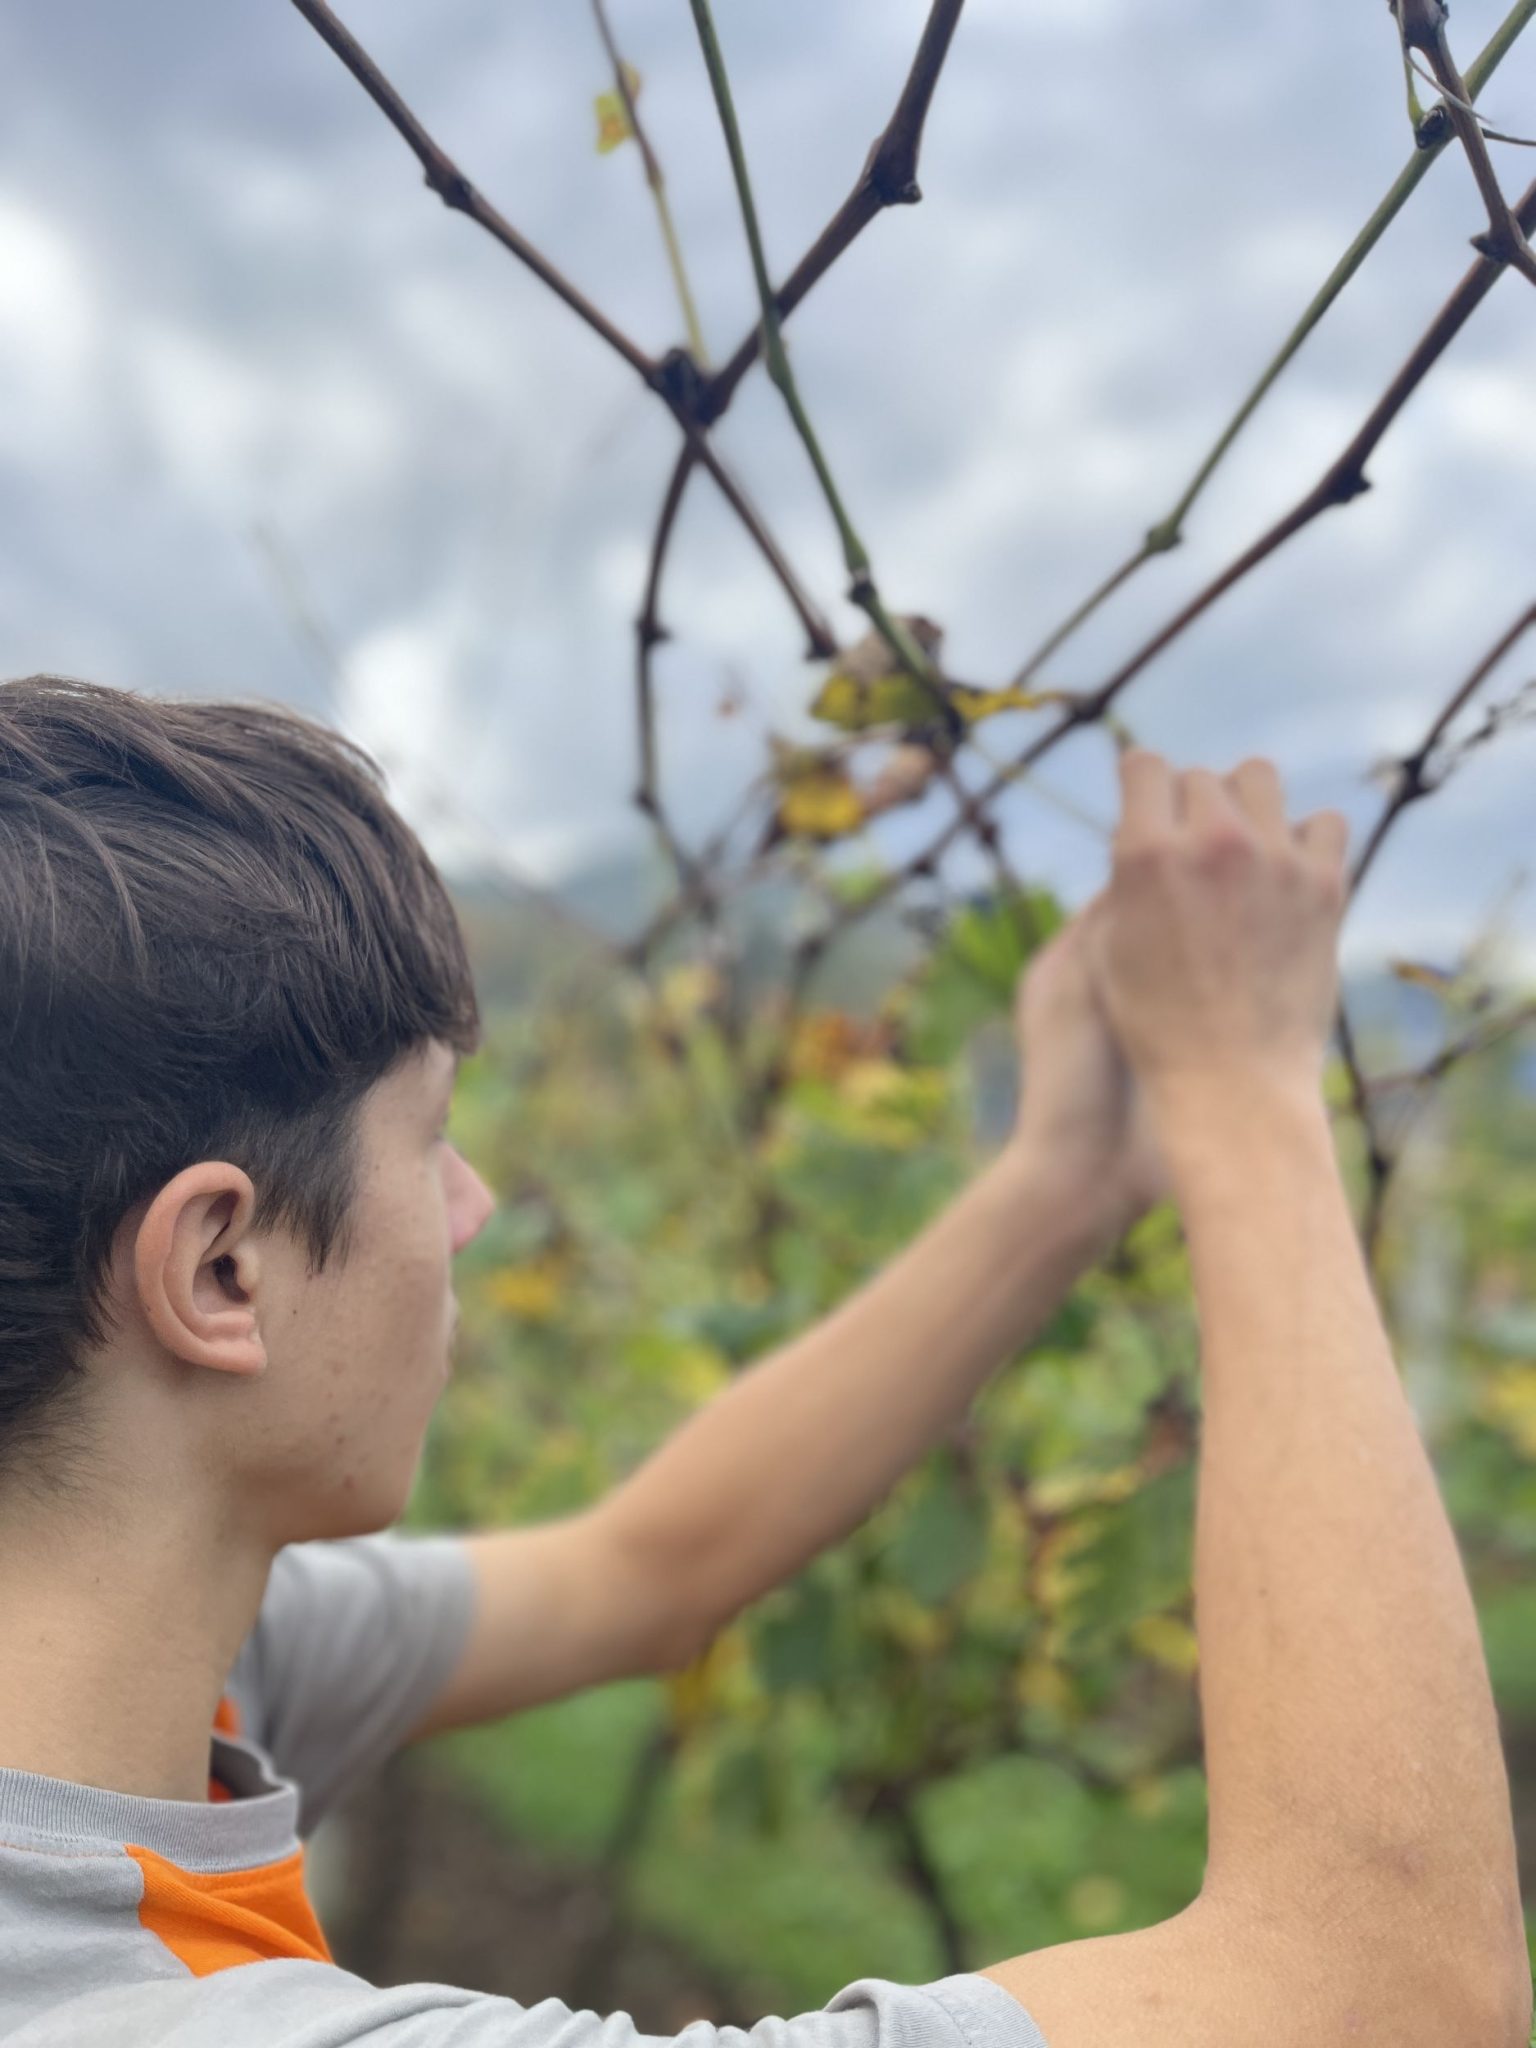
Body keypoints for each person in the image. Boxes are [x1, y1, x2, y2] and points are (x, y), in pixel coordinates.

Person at [0, 676, 1525, 2048]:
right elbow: (1391, 1993)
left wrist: (1063, 1176)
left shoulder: (190, 1666)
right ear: (223, 1268)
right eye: (431, 1136)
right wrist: (1248, 1084)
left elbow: (645, 1572)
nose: (471, 1208)